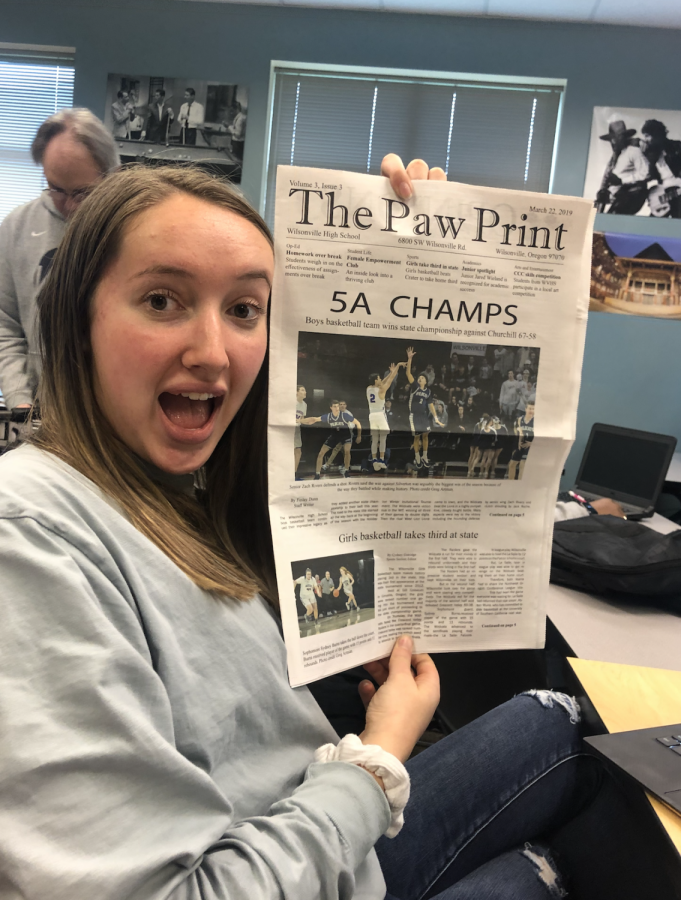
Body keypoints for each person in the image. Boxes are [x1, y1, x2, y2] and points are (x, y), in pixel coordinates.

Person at [0, 154, 629, 899]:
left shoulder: (170, 488)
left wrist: (417, 255)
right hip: (297, 846)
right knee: (560, 815)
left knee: (555, 741)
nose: (211, 353)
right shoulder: (28, 537)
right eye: (163, 300)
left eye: (243, 310)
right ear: (77, 317)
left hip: (309, 829)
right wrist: (377, 758)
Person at [0, 108, 120, 410]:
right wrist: (20, 402)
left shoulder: (133, 228)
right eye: (56, 189)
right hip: (40, 414)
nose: (68, 206)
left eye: (82, 193)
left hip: (118, 417)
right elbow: (6, 324)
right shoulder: (16, 227)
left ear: (110, 174)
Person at [595, 120, 649, 215]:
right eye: (611, 139)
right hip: (620, 197)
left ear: (625, 138)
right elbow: (609, 184)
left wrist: (622, 180)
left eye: (616, 138)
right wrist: (604, 194)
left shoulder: (634, 151)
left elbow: (645, 173)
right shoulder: (613, 160)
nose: (613, 142)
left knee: (611, 220)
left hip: (634, 194)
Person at [406, 347, 444, 468]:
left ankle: (425, 456)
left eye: (421, 378)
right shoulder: (415, 387)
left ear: (425, 381)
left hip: (423, 416)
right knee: (417, 437)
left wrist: (436, 417)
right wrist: (410, 359)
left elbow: (431, 405)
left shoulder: (428, 391)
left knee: (426, 435)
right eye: (419, 378)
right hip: (414, 416)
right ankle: (417, 457)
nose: (419, 379)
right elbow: (408, 373)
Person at [304, 399, 361, 479]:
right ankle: (317, 474)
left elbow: (358, 423)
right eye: (335, 406)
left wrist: (359, 436)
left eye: (338, 406)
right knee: (321, 453)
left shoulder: (345, 415)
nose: (337, 408)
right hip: (335, 436)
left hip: (345, 435)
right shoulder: (328, 416)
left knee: (347, 451)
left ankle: (346, 471)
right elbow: (315, 419)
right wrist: (301, 420)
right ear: (331, 408)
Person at [640, 118, 681, 218]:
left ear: (656, 134)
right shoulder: (651, 154)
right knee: (651, 224)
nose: (645, 140)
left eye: (647, 136)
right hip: (662, 194)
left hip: (677, 190)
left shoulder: (677, 147)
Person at [367, 362, 403, 471]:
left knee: (374, 439)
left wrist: (390, 373)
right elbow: (390, 380)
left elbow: (382, 382)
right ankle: (381, 459)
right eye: (378, 378)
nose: (380, 379)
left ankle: (374, 460)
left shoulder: (369, 388)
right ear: (375, 380)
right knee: (383, 439)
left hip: (371, 415)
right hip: (380, 415)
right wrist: (397, 368)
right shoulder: (381, 390)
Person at [508, 400, 535, 480]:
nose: (531, 411)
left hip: (530, 446)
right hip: (520, 444)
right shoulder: (519, 419)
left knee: (522, 465)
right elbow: (518, 432)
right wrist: (519, 441)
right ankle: (510, 483)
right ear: (526, 409)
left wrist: (532, 443)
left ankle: (519, 485)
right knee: (512, 464)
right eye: (530, 408)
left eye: (533, 409)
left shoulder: (536, 421)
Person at [294, 384, 307, 473]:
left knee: (298, 452)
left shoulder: (304, 405)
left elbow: (302, 418)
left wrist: (306, 421)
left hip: (297, 430)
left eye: (305, 390)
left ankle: (293, 473)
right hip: (288, 430)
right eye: (302, 390)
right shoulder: (292, 402)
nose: (305, 392)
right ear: (296, 392)